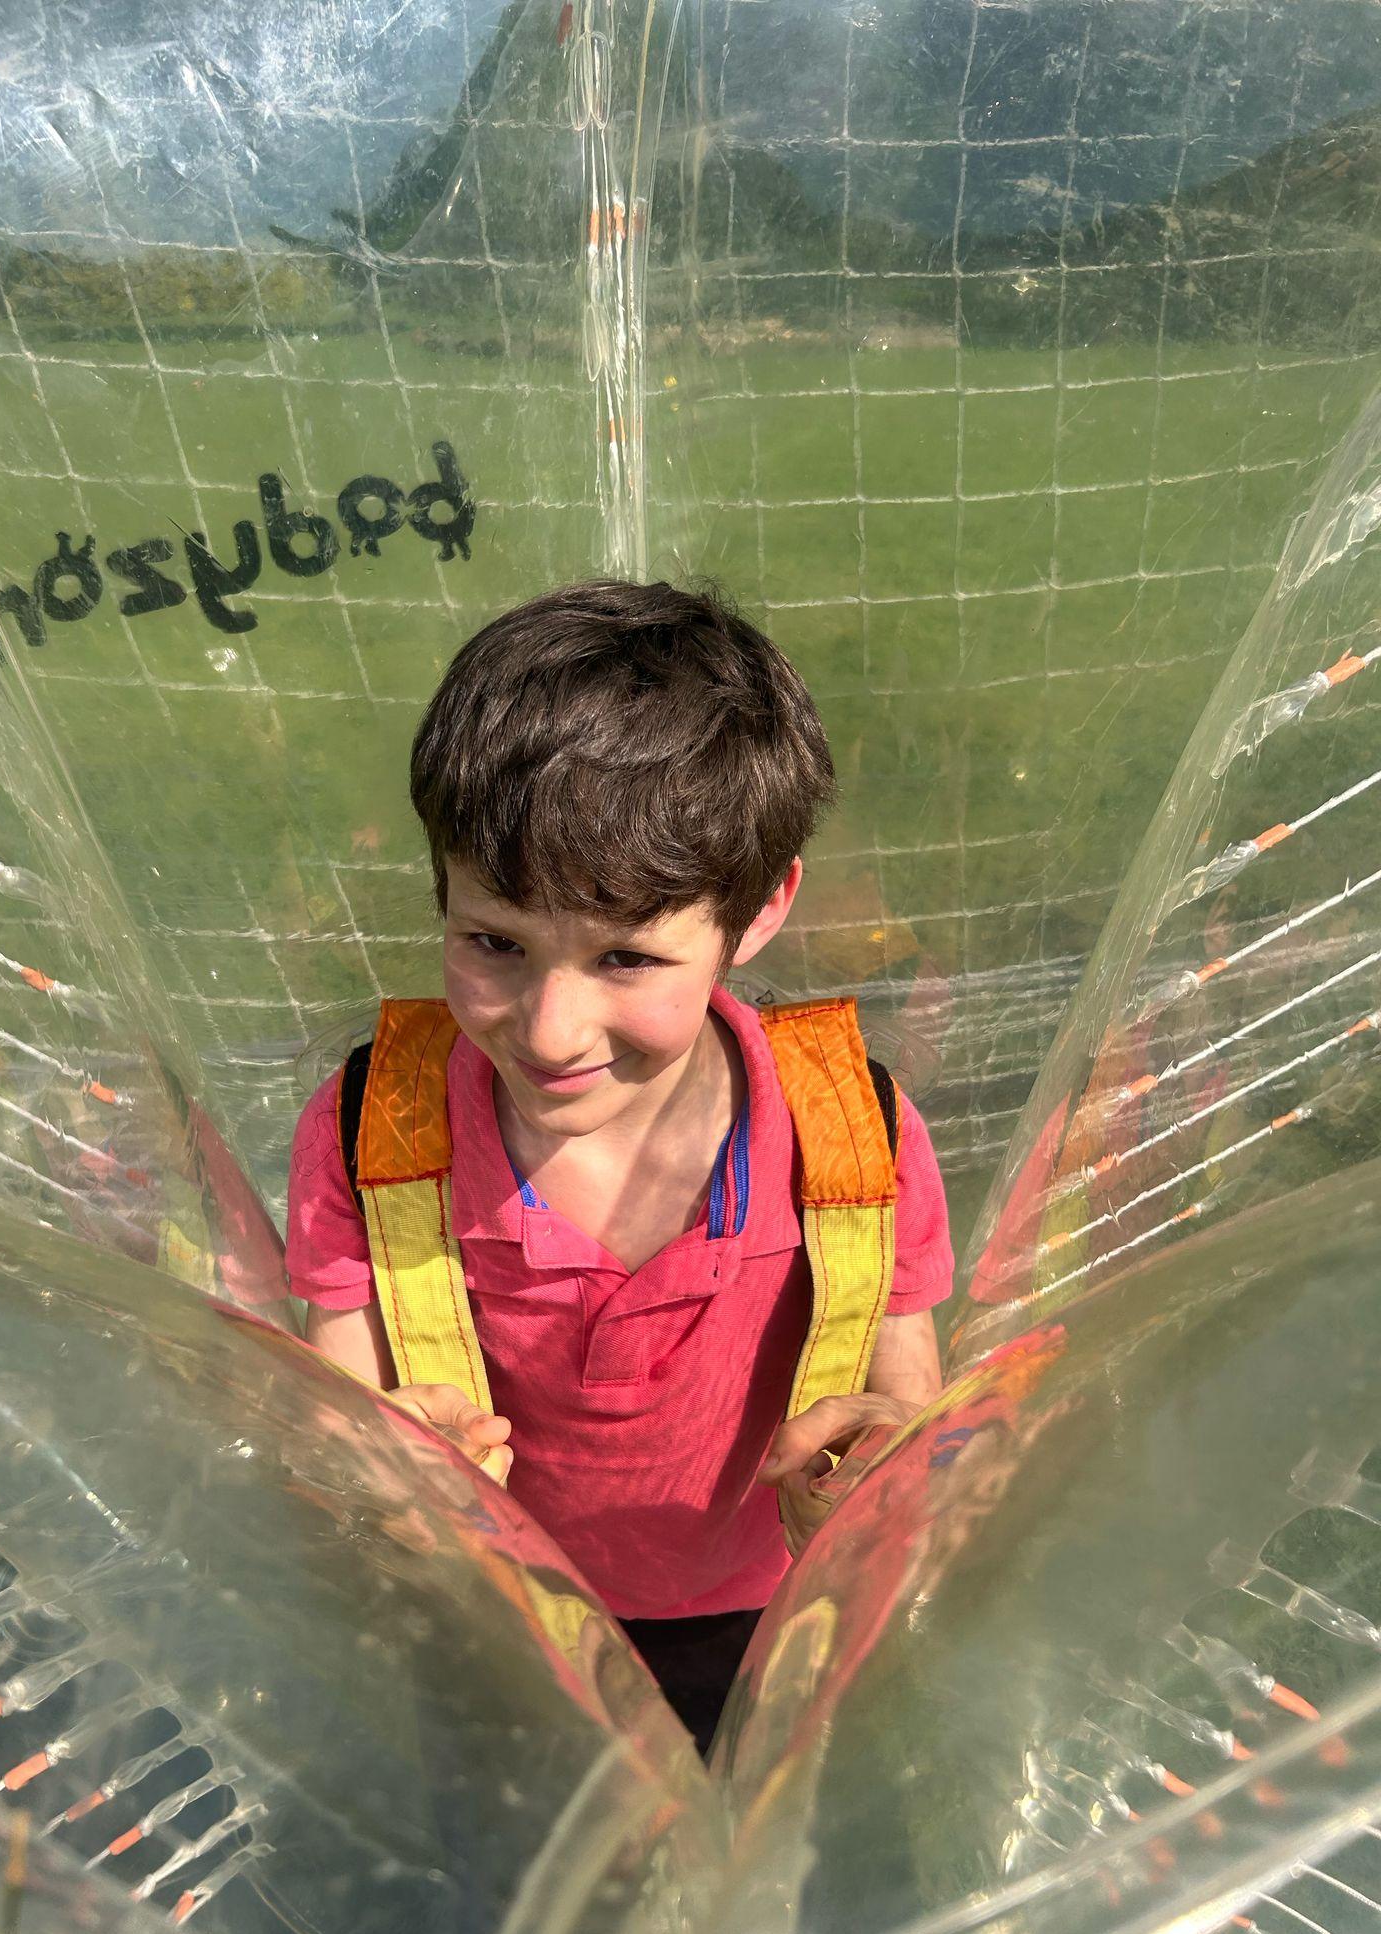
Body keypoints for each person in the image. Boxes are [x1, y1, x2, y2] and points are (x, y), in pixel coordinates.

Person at [286, 580, 953, 1751]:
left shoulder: (857, 1137)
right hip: (498, 1614)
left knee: (750, 1824)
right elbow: (335, 1424)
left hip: (765, 1613)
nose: (551, 1031)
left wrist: (878, 1481)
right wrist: (376, 1486)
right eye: (494, 941)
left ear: (759, 910)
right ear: (442, 885)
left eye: (627, 958)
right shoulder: (370, 1132)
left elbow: (905, 1411)